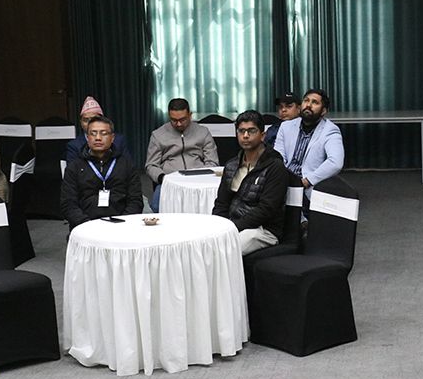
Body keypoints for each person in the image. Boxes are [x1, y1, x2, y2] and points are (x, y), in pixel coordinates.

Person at [213, 110, 288, 255]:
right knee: (202, 242)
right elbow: (221, 203)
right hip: (234, 224)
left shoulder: (275, 166)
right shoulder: (232, 165)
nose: (246, 135)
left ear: (262, 135)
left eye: (251, 131)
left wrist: (232, 228)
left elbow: (266, 210)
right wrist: (220, 226)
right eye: (241, 131)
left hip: (264, 229)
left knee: (223, 251)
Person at [60, 115, 142, 230]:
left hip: (121, 226)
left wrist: (122, 224)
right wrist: (87, 225)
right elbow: (68, 204)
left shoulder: (126, 165)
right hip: (85, 227)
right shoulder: (74, 167)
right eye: (93, 134)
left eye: (103, 133)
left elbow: (135, 201)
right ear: (87, 137)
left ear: (112, 138)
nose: (98, 138)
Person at [144, 98, 219, 212]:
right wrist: (162, 178)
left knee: (211, 208)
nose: (178, 124)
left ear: (190, 115)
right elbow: (151, 165)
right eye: (174, 120)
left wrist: (203, 175)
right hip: (169, 181)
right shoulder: (158, 135)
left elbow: (212, 161)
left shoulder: (203, 132)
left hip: (199, 179)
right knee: (157, 207)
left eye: (182, 120)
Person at [274, 88, 344, 192]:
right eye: (306, 100)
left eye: (315, 102)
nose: (308, 105)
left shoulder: (330, 130)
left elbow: (335, 163)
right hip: (284, 180)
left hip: (309, 185)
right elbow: (278, 156)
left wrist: (307, 181)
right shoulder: (286, 126)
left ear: (323, 111)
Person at [65, 96, 132, 164]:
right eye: (86, 120)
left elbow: (128, 166)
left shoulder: (119, 141)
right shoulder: (74, 145)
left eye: (94, 119)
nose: (90, 123)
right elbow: (72, 169)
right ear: (81, 123)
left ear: (102, 120)